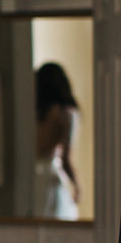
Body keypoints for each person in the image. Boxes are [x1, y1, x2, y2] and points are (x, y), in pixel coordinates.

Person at [33, 61, 81, 220]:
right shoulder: (65, 114)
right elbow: (66, 158)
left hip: (32, 177)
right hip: (50, 178)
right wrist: (77, 186)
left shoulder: (33, 112)